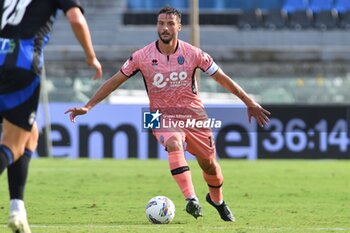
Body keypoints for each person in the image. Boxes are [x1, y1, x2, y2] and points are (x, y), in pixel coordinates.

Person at [65, 6, 270, 222]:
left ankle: (217, 200)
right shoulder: (141, 57)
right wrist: (88, 106)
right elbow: (115, 81)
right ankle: (191, 198)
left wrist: (249, 101)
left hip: (194, 116)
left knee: (209, 165)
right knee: (173, 142)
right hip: (157, 115)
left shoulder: (194, 54)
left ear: (179, 27)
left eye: (170, 23)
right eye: (161, 23)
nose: (165, 27)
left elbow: (223, 78)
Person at [0, 1, 102, 232]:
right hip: (22, 63)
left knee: (31, 134)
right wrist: (90, 57)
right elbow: (76, 18)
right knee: (13, 145)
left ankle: (18, 209)